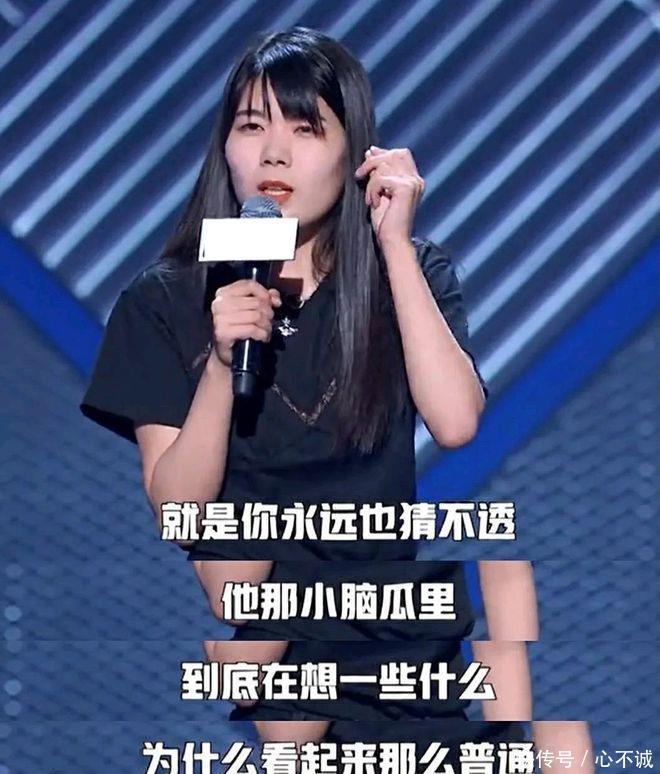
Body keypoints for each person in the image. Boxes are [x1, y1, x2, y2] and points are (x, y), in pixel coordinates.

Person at [80, 25, 535, 764]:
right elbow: (179, 510)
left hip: (395, 638)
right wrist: (222, 366)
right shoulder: (165, 300)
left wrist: (392, 244)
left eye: (305, 128)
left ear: (355, 152)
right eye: (251, 126)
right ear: (224, 145)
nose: (274, 154)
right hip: (279, 631)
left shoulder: (407, 274)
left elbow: (455, 422)